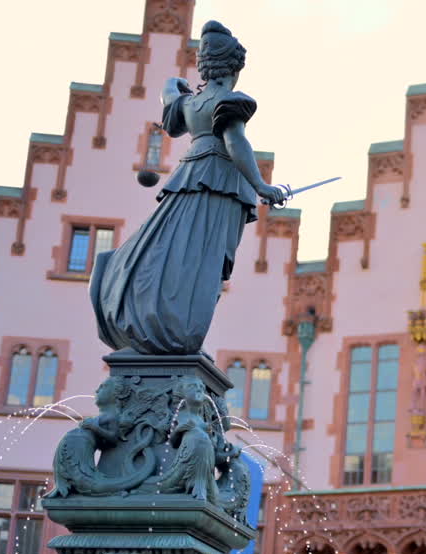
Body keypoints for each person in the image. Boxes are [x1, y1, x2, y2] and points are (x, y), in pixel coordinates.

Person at [92, 20, 287, 355]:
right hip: (220, 185)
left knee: (176, 252)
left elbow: (169, 90)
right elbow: (235, 141)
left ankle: (168, 323)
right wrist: (261, 185)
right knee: (206, 263)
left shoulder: (188, 105)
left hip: (187, 180)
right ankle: (181, 331)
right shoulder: (229, 101)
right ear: (235, 67)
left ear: (205, 66)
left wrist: (176, 83)